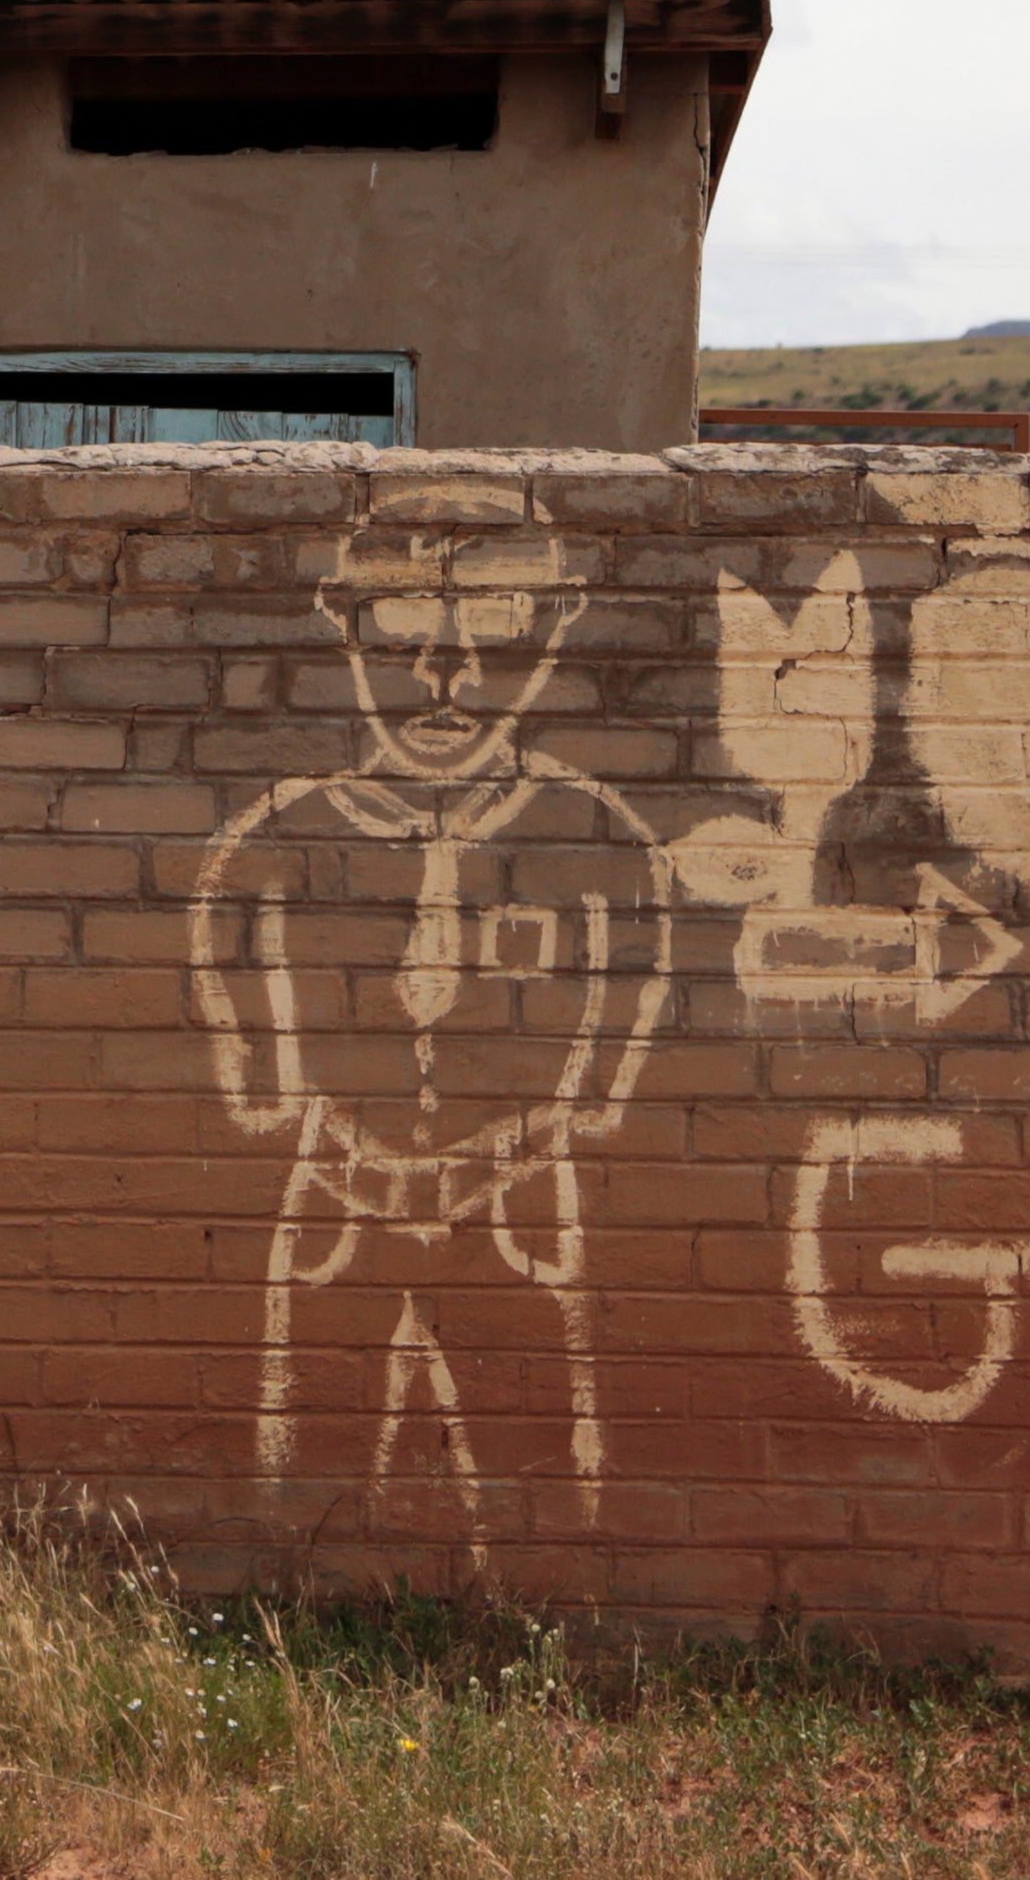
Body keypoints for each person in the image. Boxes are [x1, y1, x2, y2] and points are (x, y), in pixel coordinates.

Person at [188, 499, 674, 1567]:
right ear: (341, 624)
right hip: (337, 1197)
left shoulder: (593, 837)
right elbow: (234, 963)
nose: (446, 667)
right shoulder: (283, 834)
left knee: (545, 1494)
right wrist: (272, 1079)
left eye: (495, 616)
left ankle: (543, 1654)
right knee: (295, 1501)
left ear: (556, 625)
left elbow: (631, 977)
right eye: (402, 620)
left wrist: (580, 1102)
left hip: (515, 1203)